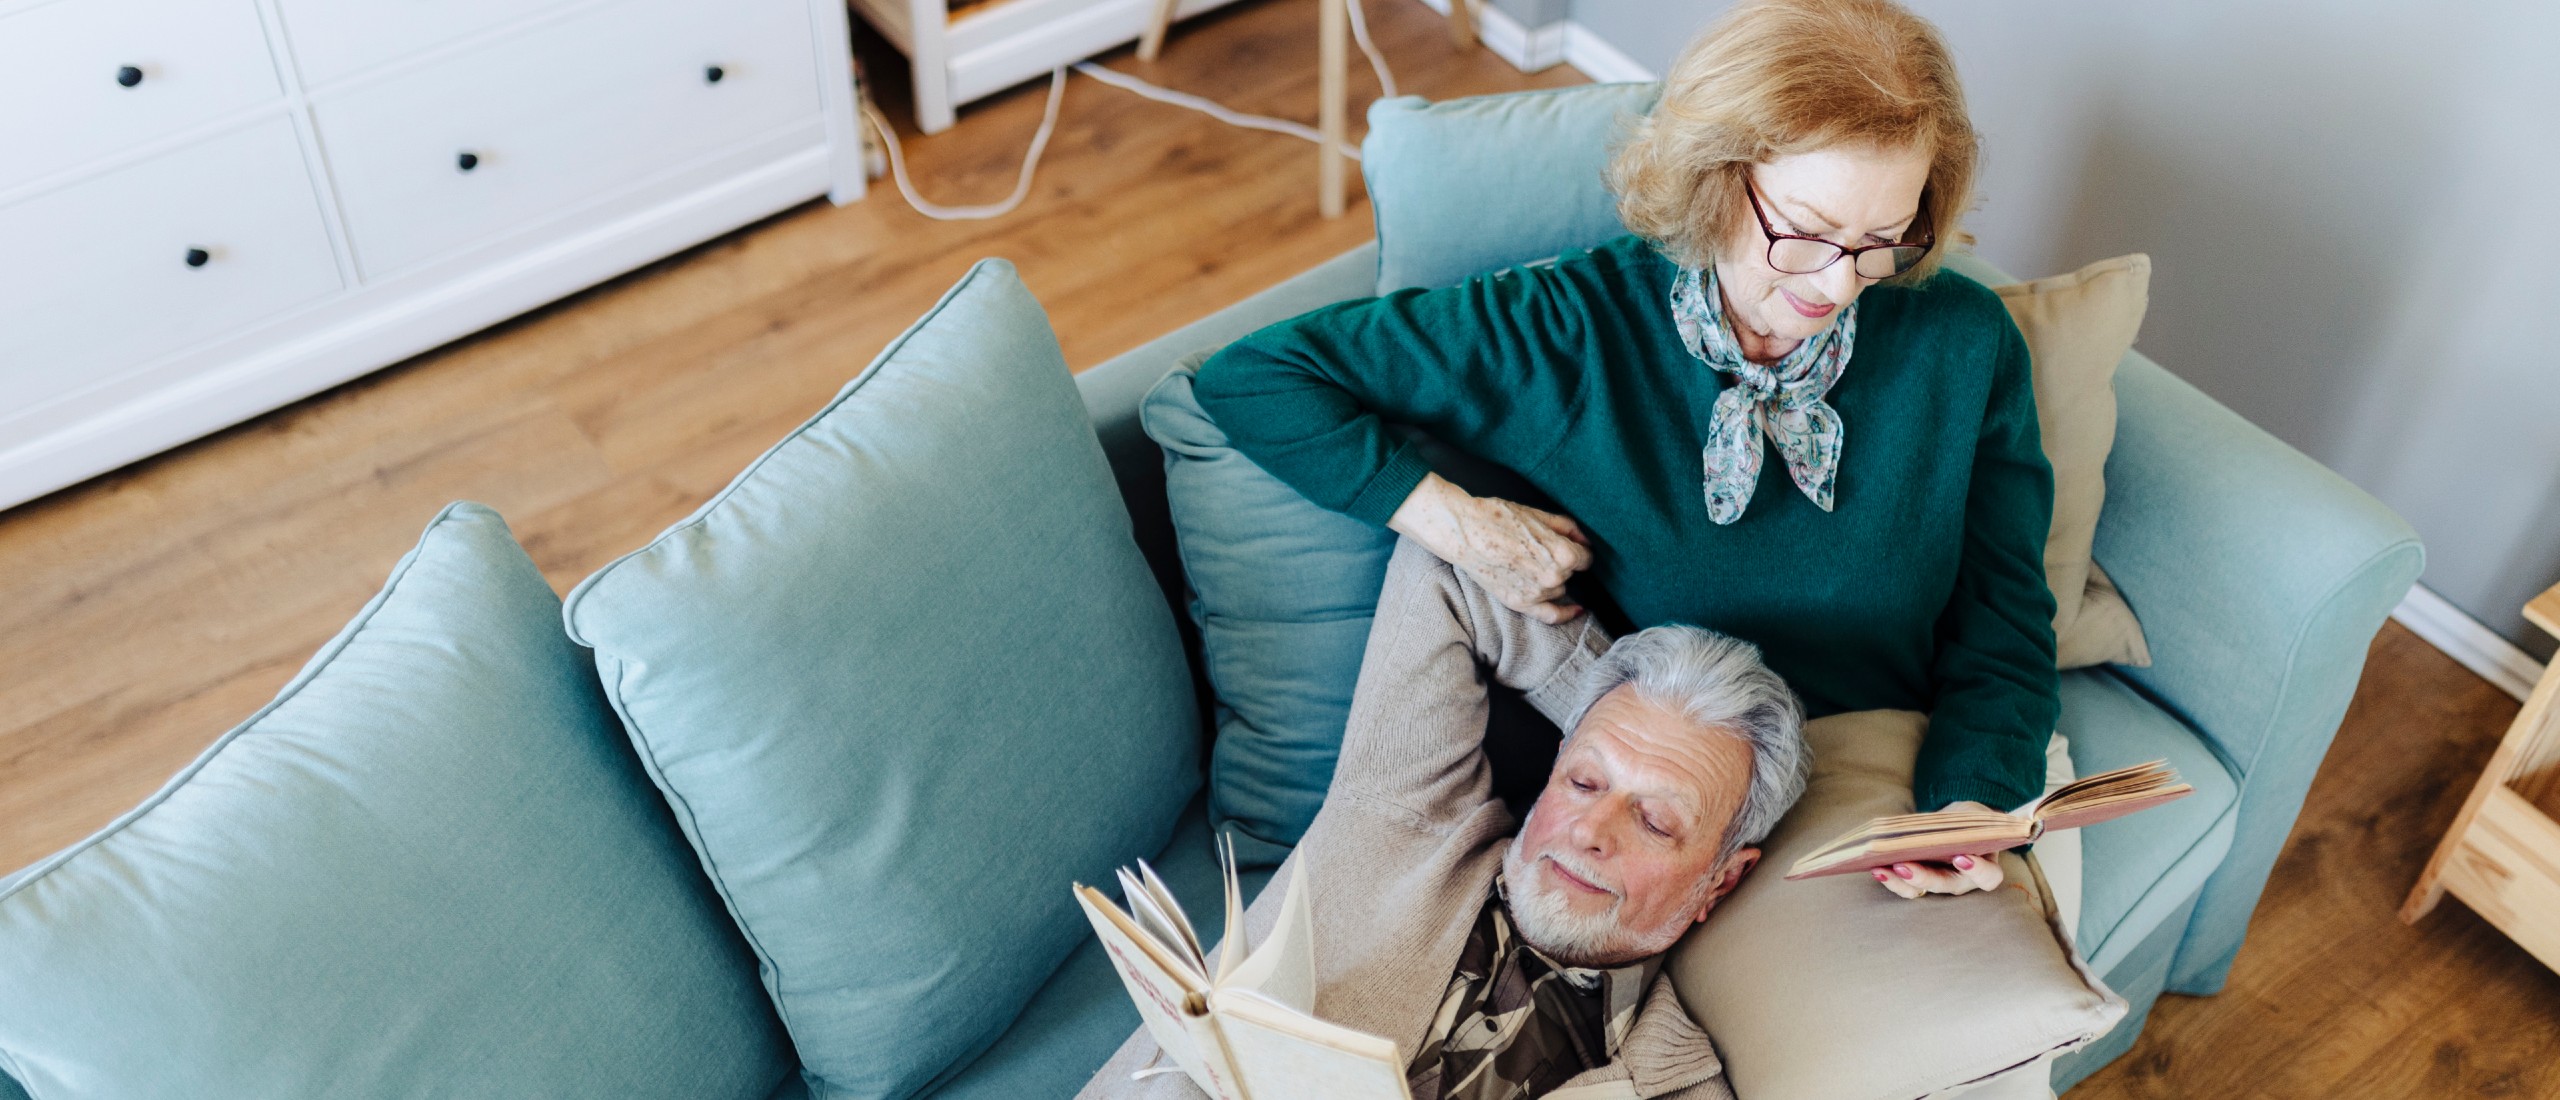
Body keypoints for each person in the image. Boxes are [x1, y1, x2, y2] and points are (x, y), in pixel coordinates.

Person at [1189, 0, 2078, 920]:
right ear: (1712, 177)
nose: (1837, 284)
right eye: (1806, 233)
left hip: (1890, 763)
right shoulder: (1570, 331)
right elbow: (1255, 377)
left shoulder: (1963, 343)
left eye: (1882, 239)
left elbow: (2005, 621)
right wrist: (1456, 518)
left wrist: (1972, 803)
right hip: (1678, 797)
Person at [1079, 540, 1808, 1100]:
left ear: (1721, 880)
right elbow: (1446, 568)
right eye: (1584, 779)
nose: (1590, 830)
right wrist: (1613, 705)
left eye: (1654, 821)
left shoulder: (1675, 1083)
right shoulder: (1406, 813)